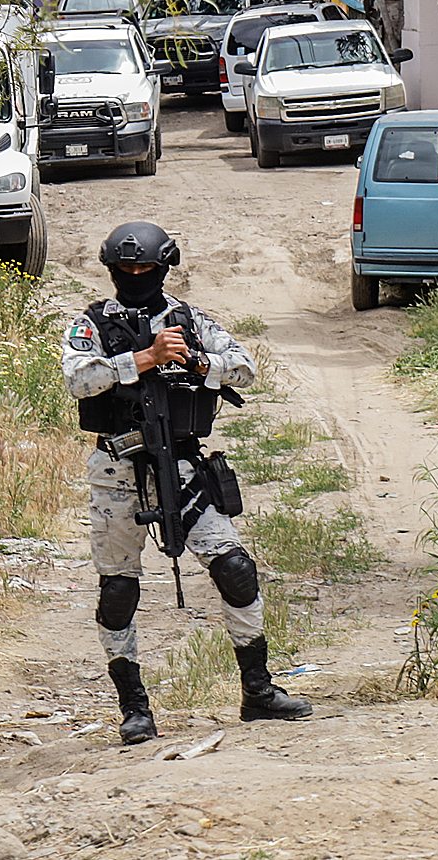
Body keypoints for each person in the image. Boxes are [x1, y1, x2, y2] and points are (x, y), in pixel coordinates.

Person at [61, 221, 312, 744]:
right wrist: (143, 359)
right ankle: (134, 709)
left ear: (164, 267)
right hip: (117, 472)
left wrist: (199, 363)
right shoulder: (91, 325)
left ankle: (258, 691)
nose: (134, 275)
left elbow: (244, 369)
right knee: (119, 590)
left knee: (236, 570)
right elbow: (80, 380)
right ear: (110, 269)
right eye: (124, 268)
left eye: (144, 268)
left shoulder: (191, 321)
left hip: (182, 468)